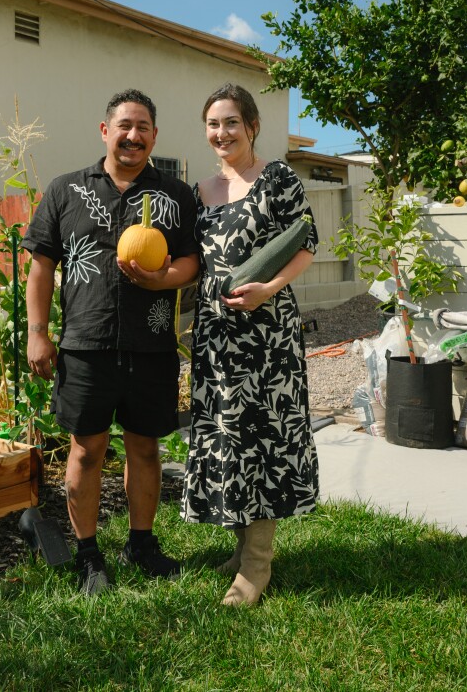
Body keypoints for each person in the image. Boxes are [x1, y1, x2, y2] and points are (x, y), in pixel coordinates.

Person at [24, 89, 199, 595]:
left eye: (143, 126)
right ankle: (88, 555)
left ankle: (141, 544)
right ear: (105, 131)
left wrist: (162, 281)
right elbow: (40, 268)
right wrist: (40, 334)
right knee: (86, 451)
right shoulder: (65, 190)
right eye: (124, 125)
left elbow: (190, 261)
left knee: (146, 450)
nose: (133, 135)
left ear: (154, 136)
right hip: (85, 345)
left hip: (152, 348)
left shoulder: (175, 195)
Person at [180, 82, 320, 606]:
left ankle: (257, 565)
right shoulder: (201, 191)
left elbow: (305, 242)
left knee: (262, 437)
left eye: (232, 122)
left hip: (266, 332)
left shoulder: (278, 178)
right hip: (217, 334)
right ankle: (242, 549)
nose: (222, 133)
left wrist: (269, 288)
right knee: (229, 438)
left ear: (252, 126)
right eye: (213, 124)